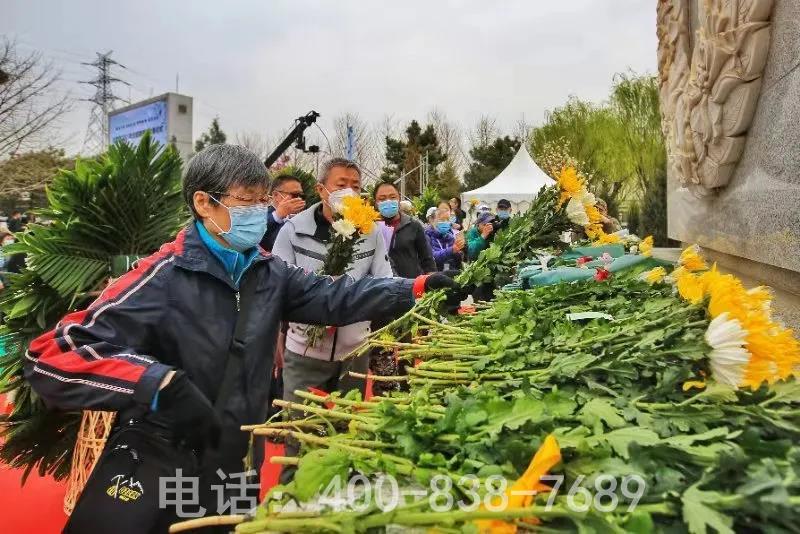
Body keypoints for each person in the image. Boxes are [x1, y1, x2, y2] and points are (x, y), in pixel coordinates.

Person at [24, 145, 459, 529]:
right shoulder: (163, 276)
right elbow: (52, 354)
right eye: (245, 201)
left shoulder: (268, 271)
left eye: (260, 201)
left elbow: (335, 295)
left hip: (235, 459)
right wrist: (155, 383)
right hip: (163, 456)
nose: (256, 212)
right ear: (204, 204)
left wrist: (414, 288)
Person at [271, 158, 398, 403]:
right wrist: (275, 336)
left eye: (356, 186)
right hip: (304, 352)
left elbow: (385, 281)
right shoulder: (293, 231)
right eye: (341, 185)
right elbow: (275, 288)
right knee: (300, 429)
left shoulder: (370, 232)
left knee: (346, 430)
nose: (350, 192)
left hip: (354, 351)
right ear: (321, 189)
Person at [374, 181, 436, 278]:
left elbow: (427, 260)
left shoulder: (413, 225)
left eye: (393, 197)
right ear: (376, 203)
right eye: (382, 199)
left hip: (410, 286)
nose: (388, 201)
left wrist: (433, 282)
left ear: (399, 199)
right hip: (380, 288)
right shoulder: (371, 228)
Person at [260, 174, 306, 251]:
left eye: (301, 196)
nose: (299, 199)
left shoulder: (300, 219)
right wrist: (278, 215)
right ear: (276, 195)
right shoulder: (258, 215)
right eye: (295, 195)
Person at [425, 207, 465, 271]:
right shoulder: (427, 237)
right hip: (436, 274)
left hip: (451, 272)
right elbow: (432, 257)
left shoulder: (450, 236)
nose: (445, 223)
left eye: (447, 220)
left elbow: (457, 260)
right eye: (442, 220)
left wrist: (461, 249)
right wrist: (451, 250)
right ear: (431, 220)